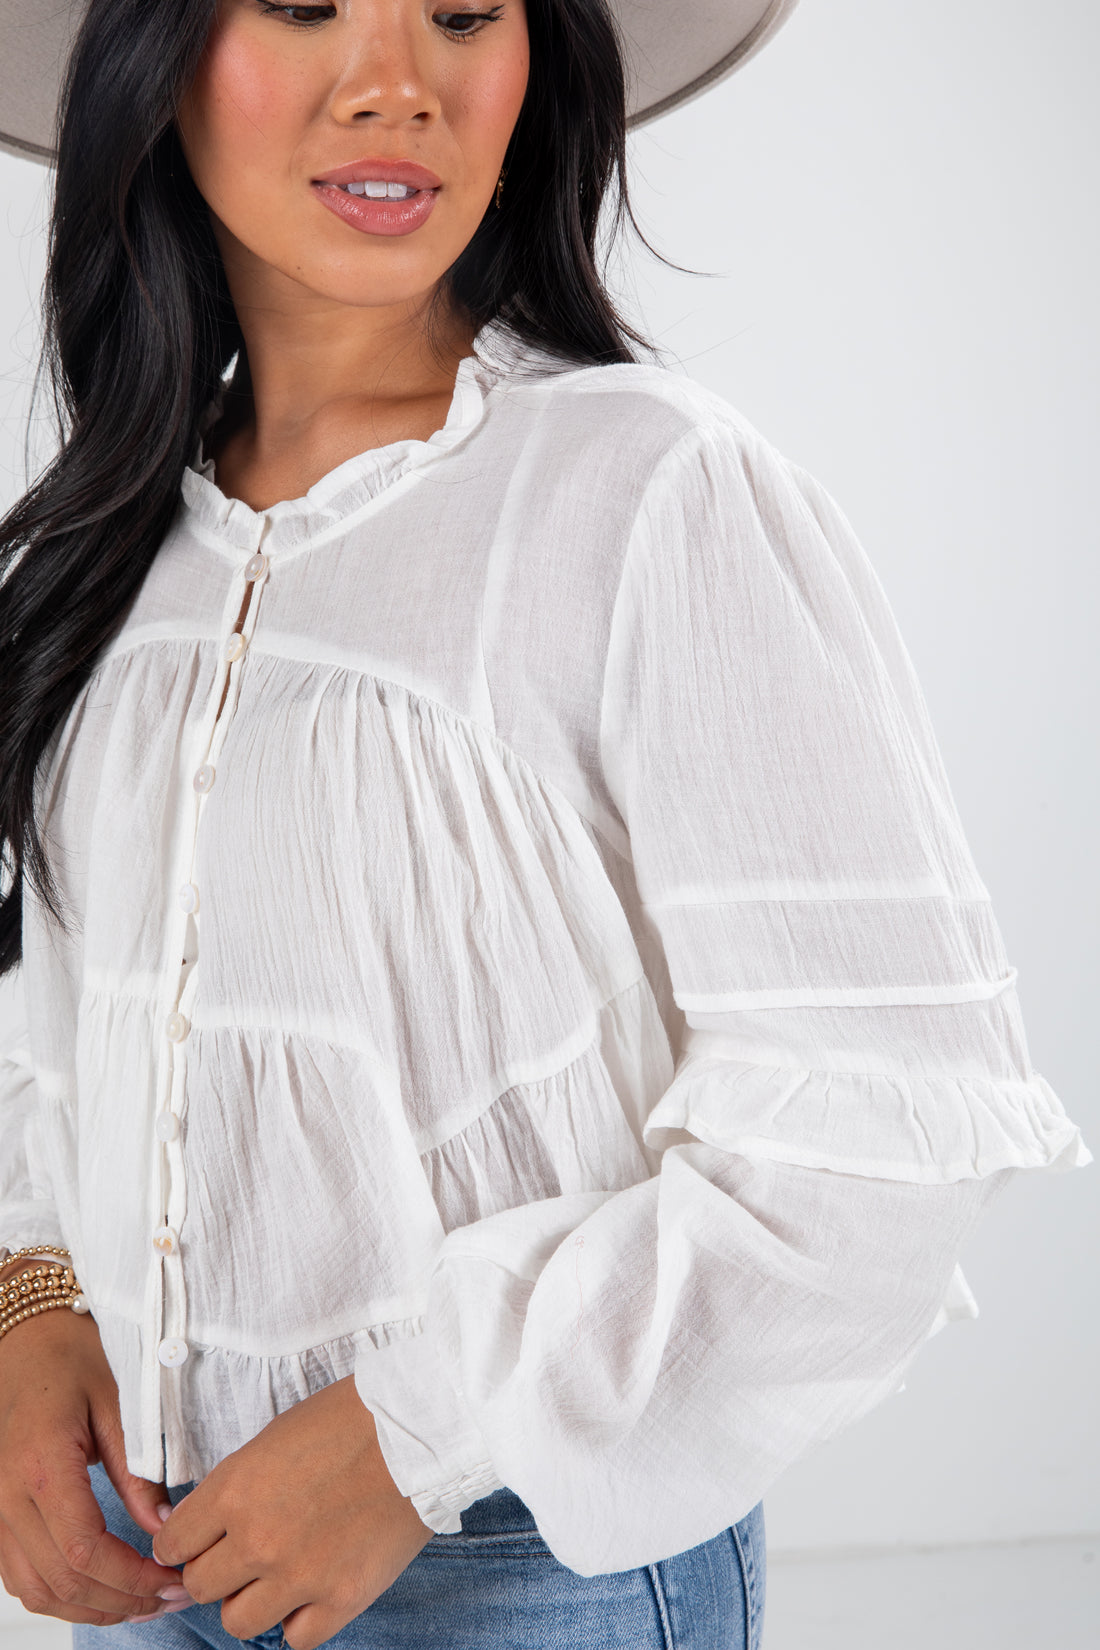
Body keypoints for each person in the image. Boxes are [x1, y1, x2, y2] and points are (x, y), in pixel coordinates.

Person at [0, 0, 1091, 1646]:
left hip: (522, 1559)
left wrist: (414, 1431)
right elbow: (63, 1031)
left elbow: (876, 1131)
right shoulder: (111, 540)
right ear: (156, 58)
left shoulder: (650, 495)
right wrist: (31, 1304)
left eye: (461, 12)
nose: (396, 86)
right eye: (304, 3)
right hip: (147, 1545)